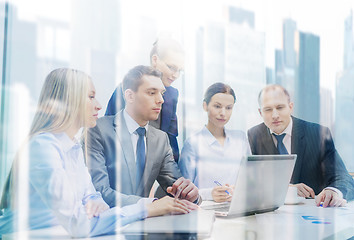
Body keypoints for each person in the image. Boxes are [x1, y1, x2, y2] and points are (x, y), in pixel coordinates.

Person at [0, 68, 197, 238]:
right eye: (91, 96)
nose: (99, 105)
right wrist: (146, 207)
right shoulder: (42, 148)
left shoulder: (73, 148)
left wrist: (94, 206)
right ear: (69, 101)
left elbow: (93, 198)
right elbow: (79, 223)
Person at [85, 65, 200, 209]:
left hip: (145, 226)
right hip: (109, 224)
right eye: (152, 93)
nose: (161, 100)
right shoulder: (98, 130)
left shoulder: (160, 139)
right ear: (129, 96)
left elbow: (177, 187)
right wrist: (151, 204)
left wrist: (191, 195)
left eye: (162, 93)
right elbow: (99, 192)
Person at [247, 84, 354, 208]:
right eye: (268, 109)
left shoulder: (318, 134)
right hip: (273, 214)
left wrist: (333, 191)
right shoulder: (254, 135)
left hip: (313, 213)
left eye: (280, 107)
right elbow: (254, 183)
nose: (275, 115)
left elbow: (344, 178)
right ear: (260, 112)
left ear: (290, 107)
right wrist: (287, 189)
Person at [105, 38, 184, 162]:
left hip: (155, 169)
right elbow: (108, 130)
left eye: (180, 70)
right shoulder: (127, 88)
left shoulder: (172, 95)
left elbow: (171, 140)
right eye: (171, 67)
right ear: (155, 60)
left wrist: (175, 178)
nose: (175, 75)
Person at [178, 83, 250, 202]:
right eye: (217, 106)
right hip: (204, 212)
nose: (223, 113)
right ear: (205, 106)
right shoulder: (193, 144)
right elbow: (183, 193)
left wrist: (240, 190)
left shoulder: (240, 139)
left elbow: (250, 180)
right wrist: (210, 194)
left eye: (228, 108)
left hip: (237, 207)